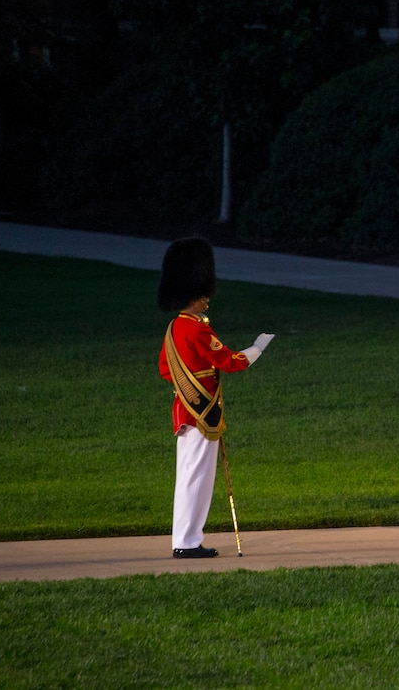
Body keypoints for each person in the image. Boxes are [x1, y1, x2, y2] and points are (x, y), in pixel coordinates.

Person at [157, 237, 275, 559]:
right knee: (197, 479)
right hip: (202, 412)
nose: (207, 300)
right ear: (195, 296)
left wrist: (189, 384)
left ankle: (186, 538)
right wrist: (257, 349)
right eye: (203, 296)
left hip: (185, 409)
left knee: (188, 476)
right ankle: (188, 541)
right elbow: (229, 361)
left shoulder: (174, 328)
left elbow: (166, 370)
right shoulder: (197, 330)